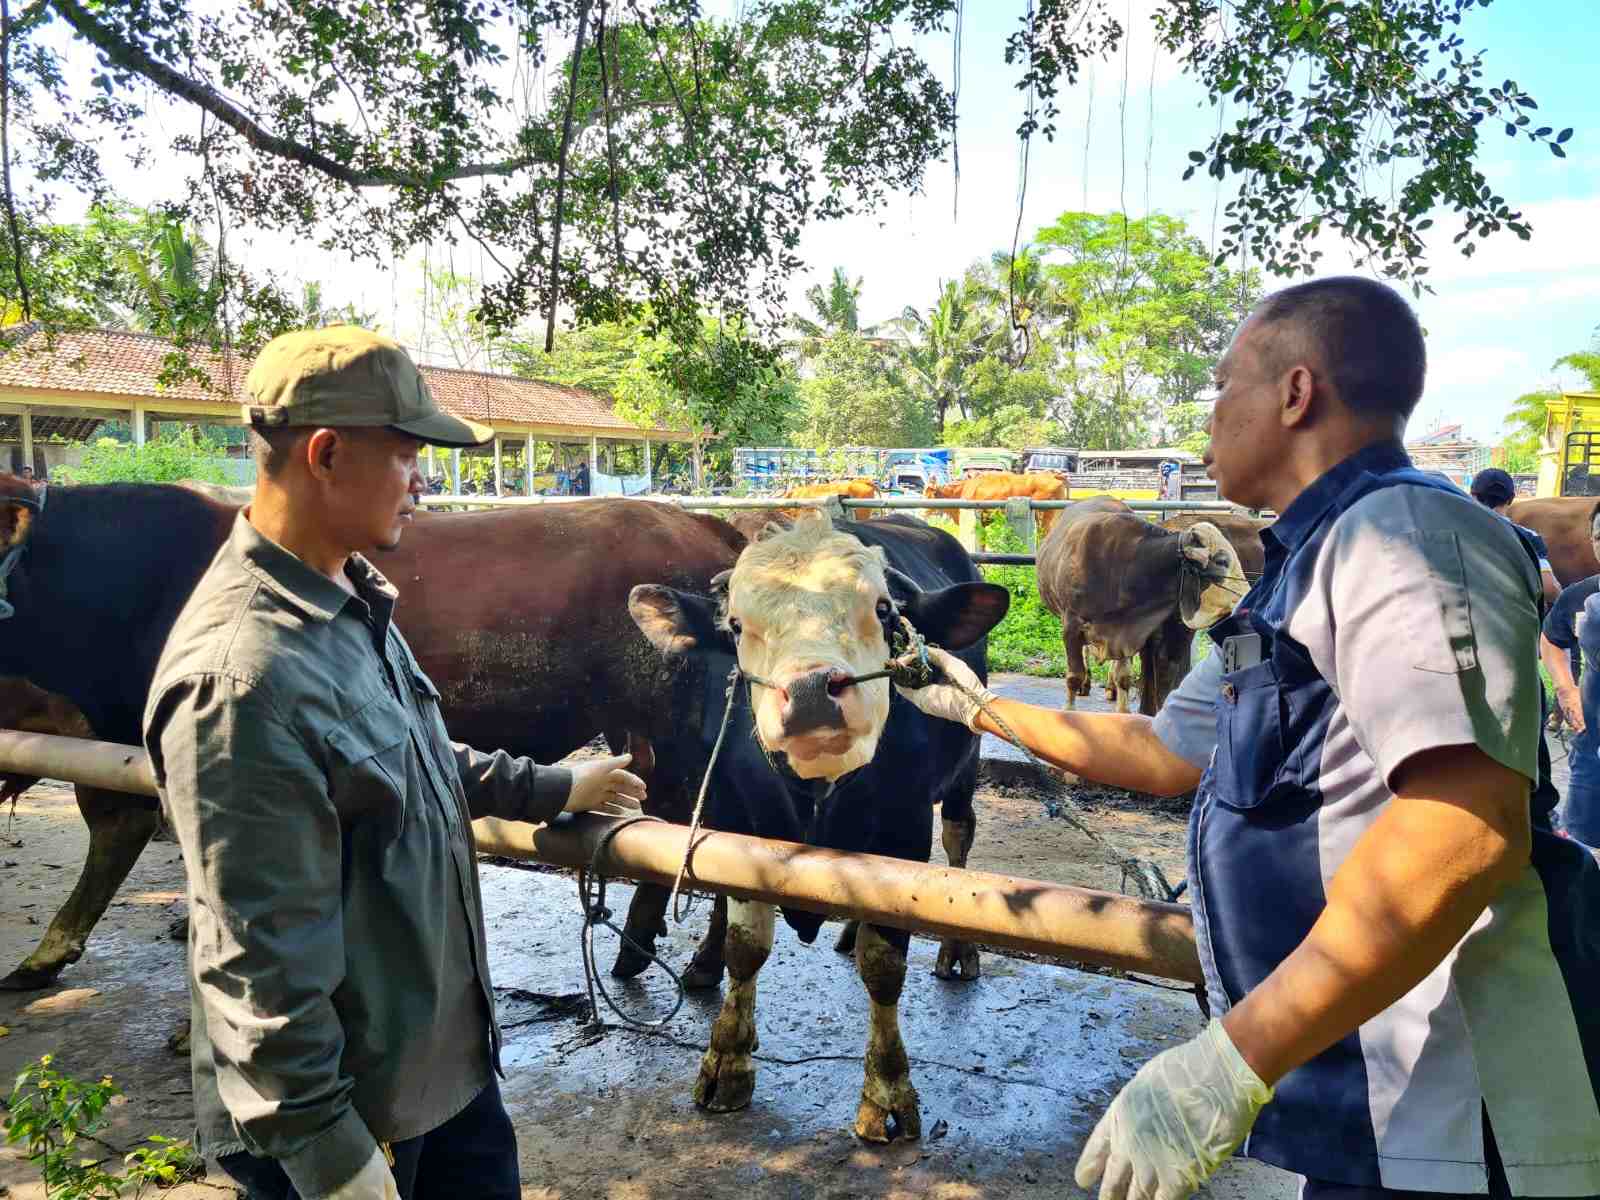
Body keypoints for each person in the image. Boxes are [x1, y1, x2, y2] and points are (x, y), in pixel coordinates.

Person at [898, 278, 1600, 1200]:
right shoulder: (1302, 565)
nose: (1210, 417)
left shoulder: (1404, 534)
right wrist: (973, 704)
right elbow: (1166, 752)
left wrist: (1230, 1058)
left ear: (1295, 394)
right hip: (1364, 1083)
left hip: (1451, 1096)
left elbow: (1463, 827)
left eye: (1223, 387)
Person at [143, 327, 646, 1200]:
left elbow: (409, 755)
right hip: (350, 1121)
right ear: (326, 453)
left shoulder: (347, 598)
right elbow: (256, 963)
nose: (425, 482)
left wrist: (557, 786)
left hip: (438, 1071)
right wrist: (333, 1163)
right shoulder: (240, 678)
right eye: (409, 456)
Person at [1540, 510, 1600, 846]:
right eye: (1599, 537)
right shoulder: (1579, 596)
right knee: (1581, 839)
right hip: (1591, 748)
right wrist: (1565, 689)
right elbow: (1551, 639)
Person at [1471, 466, 1560, 603]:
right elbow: (1549, 589)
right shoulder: (1527, 537)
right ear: (1511, 498)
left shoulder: (1455, 532)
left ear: (1473, 496)